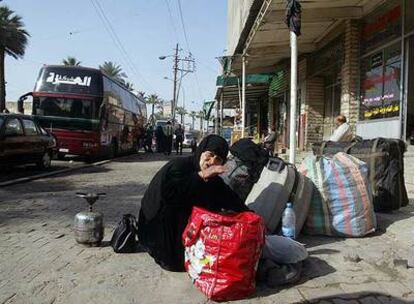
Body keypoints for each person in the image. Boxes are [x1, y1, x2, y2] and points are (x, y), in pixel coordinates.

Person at [137, 134, 248, 272]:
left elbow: (232, 201)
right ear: (201, 151)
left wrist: (251, 217)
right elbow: (171, 196)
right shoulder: (179, 166)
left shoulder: (214, 180)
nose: (211, 161)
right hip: (156, 228)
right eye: (210, 155)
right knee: (177, 263)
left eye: (218, 159)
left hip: (177, 231)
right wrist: (201, 176)